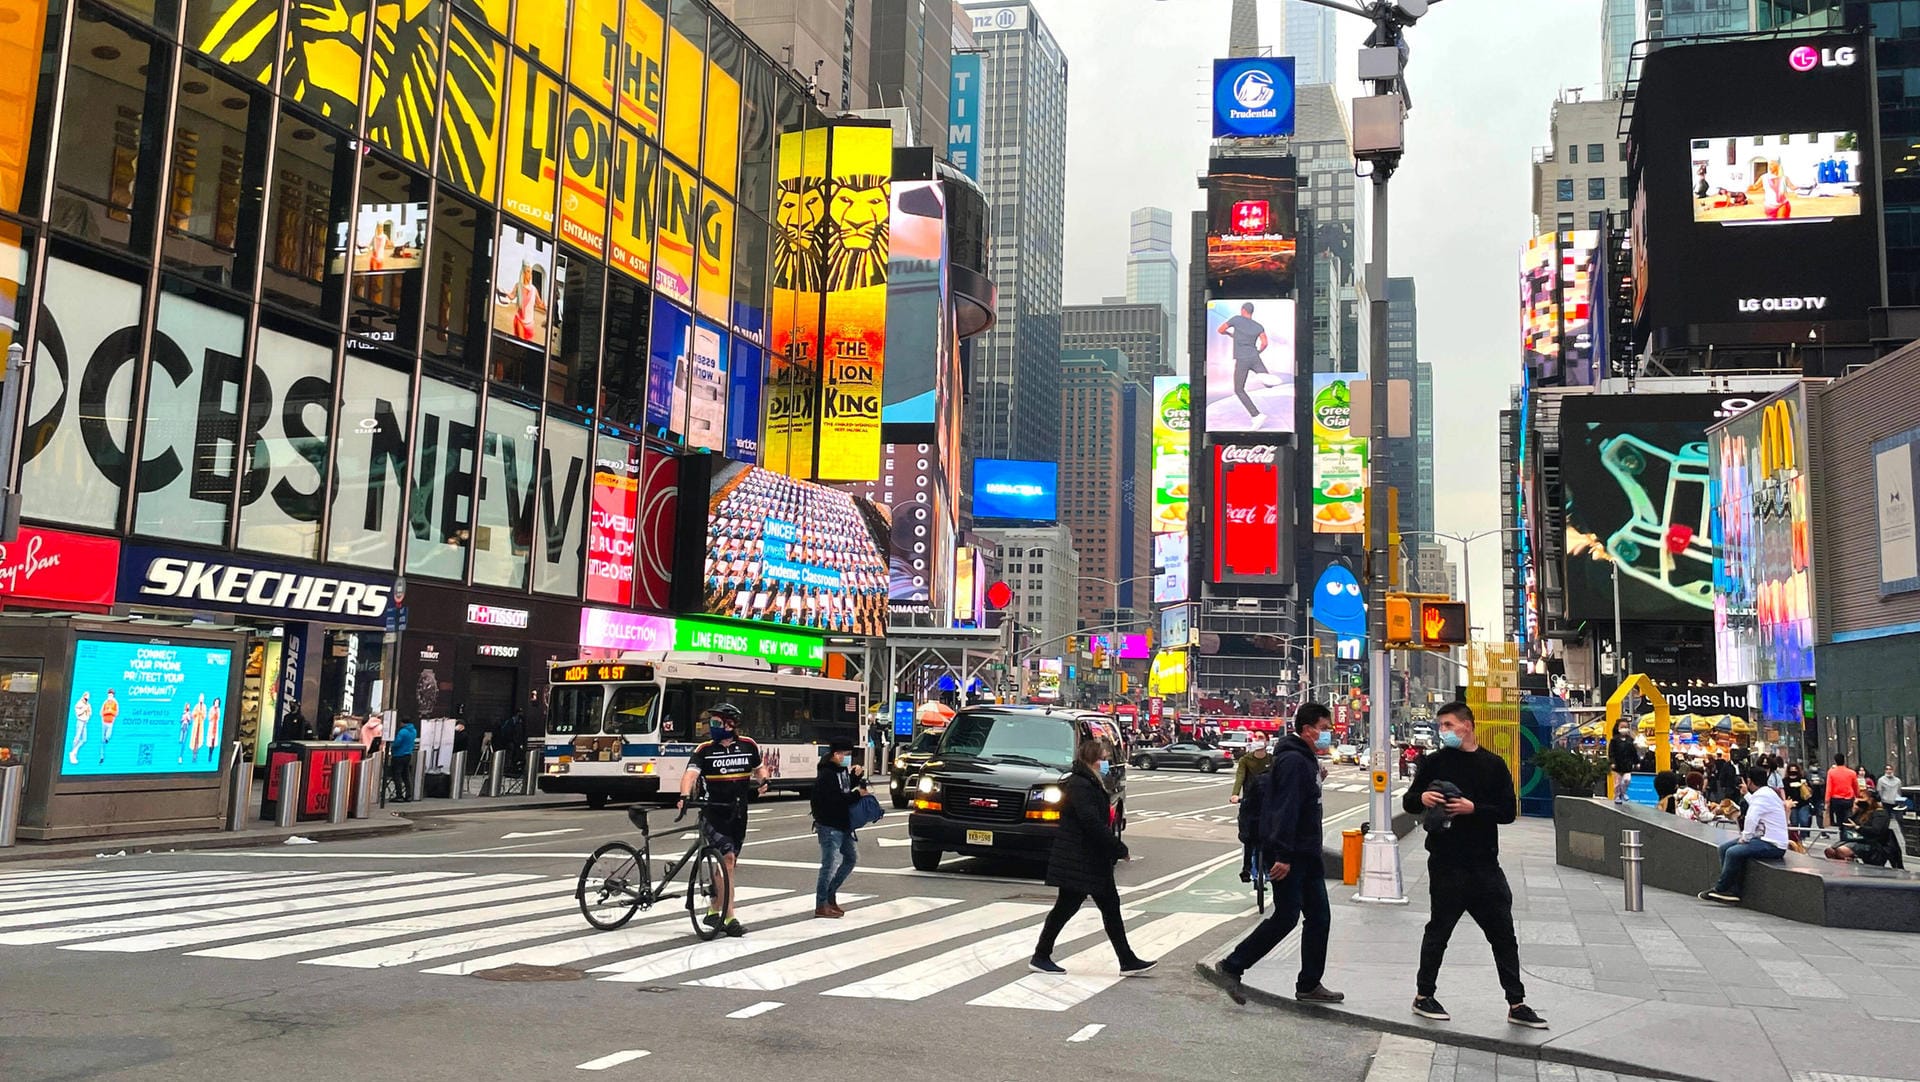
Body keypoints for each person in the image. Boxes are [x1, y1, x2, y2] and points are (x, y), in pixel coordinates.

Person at [1402, 701, 1548, 1030]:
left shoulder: (1493, 765)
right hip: (1445, 861)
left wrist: (1473, 808)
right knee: (1438, 931)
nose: (1444, 732)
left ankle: (1517, 1002)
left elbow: (1507, 812)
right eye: (1441, 726)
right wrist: (1422, 799)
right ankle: (1424, 995)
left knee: (1503, 934)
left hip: (1484, 864)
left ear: (1468, 725)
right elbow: (1410, 801)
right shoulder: (1434, 762)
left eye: (1449, 725)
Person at [1216, 703, 1344, 1005]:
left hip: (1306, 852)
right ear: (1308, 729)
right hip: (1291, 854)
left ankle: (1309, 984)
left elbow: (1299, 801)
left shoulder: (1304, 760)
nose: (1327, 734)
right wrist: (1283, 856)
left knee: (1319, 917)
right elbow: (1284, 810)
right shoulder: (1295, 762)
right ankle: (1233, 966)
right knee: (1287, 916)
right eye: (1324, 728)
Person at [1030, 737, 1156, 976]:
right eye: (1104, 758)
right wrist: (1118, 848)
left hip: (1087, 857)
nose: (1107, 762)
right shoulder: (1080, 784)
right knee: (1077, 908)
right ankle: (1041, 955)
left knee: (1096, 907)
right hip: (1081, 857)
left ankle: (1126, 959)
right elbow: (1091, 822)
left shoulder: (1088, 781)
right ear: (1092, 760)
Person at [677, 703, 768, 937]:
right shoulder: (704, 749)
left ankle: (712, 912)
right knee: (727, 859)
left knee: (730, 863)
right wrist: (684, 795)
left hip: (738, 813)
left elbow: (759, 768)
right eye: (711, 722)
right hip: (712, 812)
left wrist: (764, 781)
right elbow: (690, 774)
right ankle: (730, 917)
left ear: (731, 725)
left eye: (717, 723)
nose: (712, 727)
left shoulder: (748, 745)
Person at [1699, 765, 1790, 904]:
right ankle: (1732, 890)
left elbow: (1752, 817)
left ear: (1749, 781)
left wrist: (1745, 837)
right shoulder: (1766, 793)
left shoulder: (1762, 796)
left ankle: (1721, 888)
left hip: (1772, 844)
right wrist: (1746, 794)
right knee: (1724, 848)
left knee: (1732, 852)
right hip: (1764, 838)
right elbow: (1756, 805)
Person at [810, 738, 867, 918]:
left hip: (842, 825)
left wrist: (855, 778)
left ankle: (830, 895)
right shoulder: (826, 774)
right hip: (829, 825)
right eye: (846, 755)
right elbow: (837, 799)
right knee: (829, 865)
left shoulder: (840, 771)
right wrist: (857, 794)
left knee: (851, 858)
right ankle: (821, 904)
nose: (848, 759)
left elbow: (844, 788)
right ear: (836, 754)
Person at [1215, 301, 1272, 421]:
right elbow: (1265, 343)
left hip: (1242, 359)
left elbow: (1220, 329)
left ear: (1243, 310)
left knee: (1239, 389)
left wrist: (1229, 334)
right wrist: (1258, 352)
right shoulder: (1258, 326)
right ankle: (1267, 379)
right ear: (1251, 312)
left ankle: (1256, 415)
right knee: (1268, 382)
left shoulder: (1236, 319)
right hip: (1255, 357)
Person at [1826, 790, 1902, 867]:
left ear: (1871, 799)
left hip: (1873, 843)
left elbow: (1877, 831)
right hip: (1857, 839)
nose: (1859, 800)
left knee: (1841, 851)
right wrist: (1853, 811)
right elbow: (1846, 824)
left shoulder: (1880, 813)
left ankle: (1848, 867)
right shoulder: (1861, 812)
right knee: (1830, 851)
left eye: (1862, 798)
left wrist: (1858, 828)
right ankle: (1845, 868)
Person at [1826, 754, 1860, 829]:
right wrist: (1858, 796)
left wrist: (1827, 800)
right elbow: (1855, 786)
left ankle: (1841, 831)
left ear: (1835, 761)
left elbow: (1829, 787)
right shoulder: (1851, 773)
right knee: (1848, 815)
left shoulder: (1831, 772)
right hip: (1848, 798)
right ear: (1844, 761)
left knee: (1839, 816)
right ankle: (1848, 831)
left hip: (1836, 798)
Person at [1607, 722, 1638, 804]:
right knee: (1617, 782)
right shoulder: (1614, 740)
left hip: (1627, 765)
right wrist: (1612, 762)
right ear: (1618, 728)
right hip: (1617, 765)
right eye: (1622, 727)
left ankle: (1623, 792)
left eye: (1626, 727)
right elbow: (1611, 752)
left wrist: (1636, 762)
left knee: (1627, 780)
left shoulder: (1630, 740)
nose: (1624, 729)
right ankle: (1617, 796)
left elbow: (1633, 752)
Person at [389, 718, 417, 802]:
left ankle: (399, 795)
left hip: (398, 755)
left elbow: (397, 743)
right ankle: (408, 795)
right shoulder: (414, 731)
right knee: (406, 775)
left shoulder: (402, 732)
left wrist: (392, 745)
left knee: (397, 775)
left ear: (403, 723)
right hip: (408, 754)